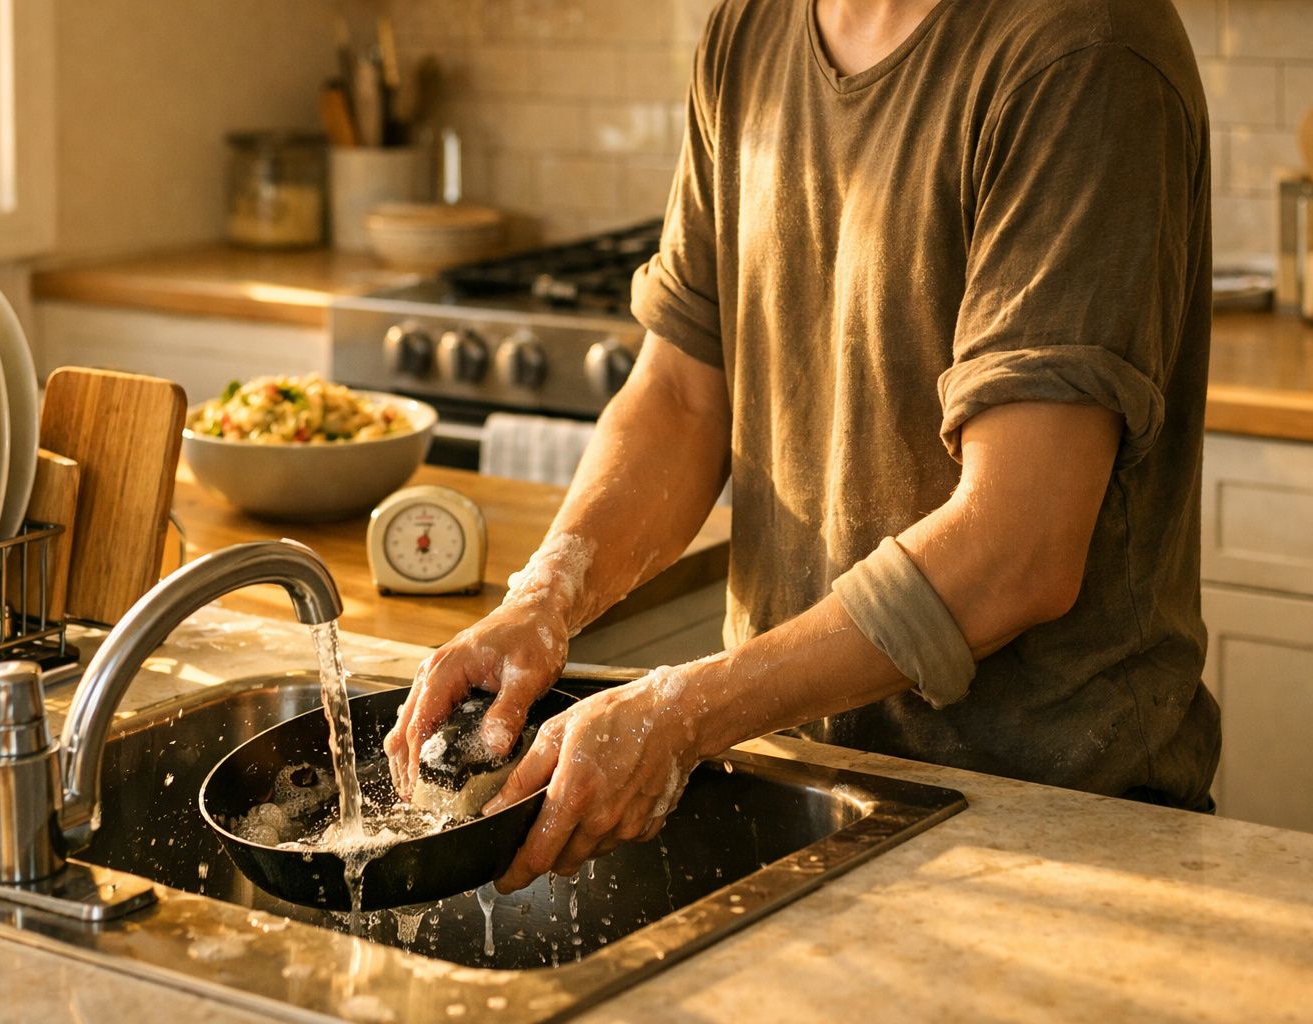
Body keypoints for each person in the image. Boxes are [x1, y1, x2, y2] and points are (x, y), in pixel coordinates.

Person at [385, 0, 1222, 895]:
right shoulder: (753, 27)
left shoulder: (1083, 51)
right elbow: (679, 399)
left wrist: (684, 714)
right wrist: (542, 599)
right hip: (797, 773)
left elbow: (1019, 547)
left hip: (1046, 821)